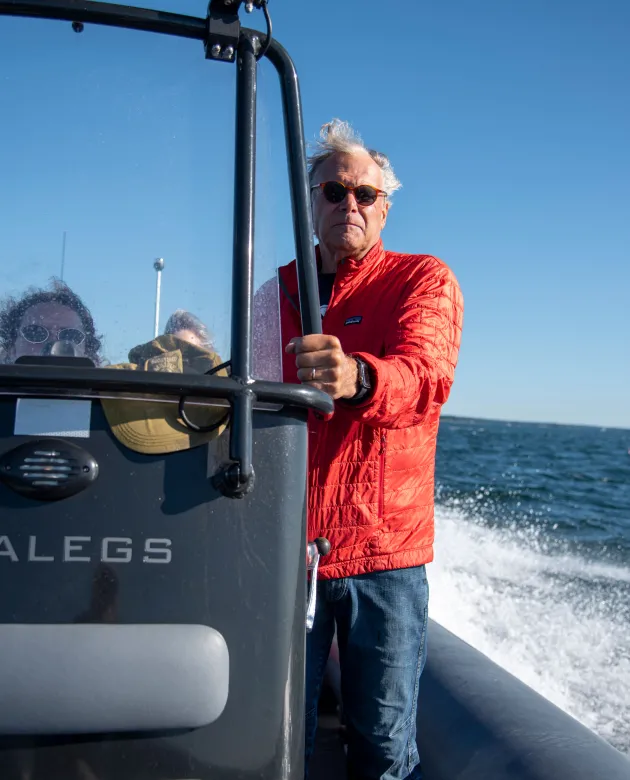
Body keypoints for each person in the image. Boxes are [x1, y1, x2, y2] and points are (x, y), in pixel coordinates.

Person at [269, 119, 464, 780]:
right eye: (334, 191)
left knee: (381, 745)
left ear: (385, 208)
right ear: (310, 201)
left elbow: (425, 380)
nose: (349, 205)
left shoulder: (422, 281)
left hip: (383, 556)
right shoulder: (273, 295)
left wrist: (357, 377)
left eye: (365, 195)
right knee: (275, 738)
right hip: (281, 553)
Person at [0, 278, 103, 365]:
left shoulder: (110, 387)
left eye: (70, 336)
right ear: (11, 349)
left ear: (86, 352)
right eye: (35, 333)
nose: (54, 345)